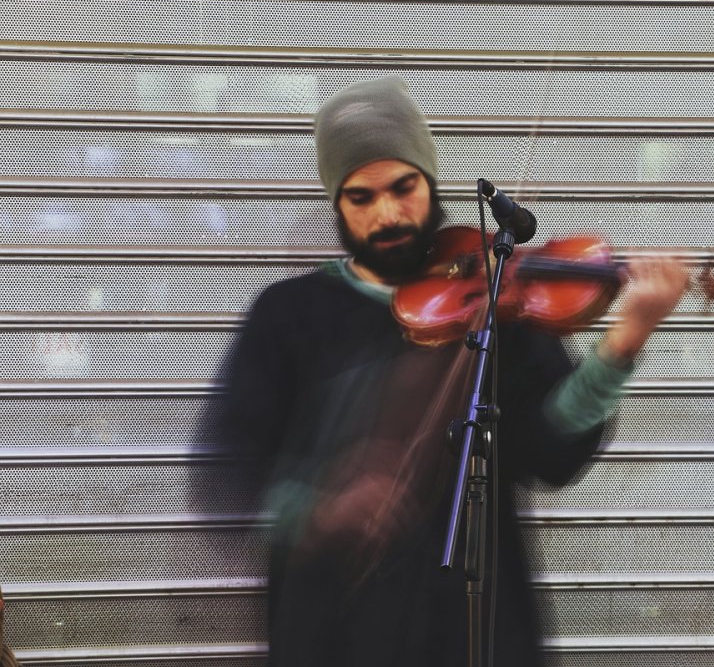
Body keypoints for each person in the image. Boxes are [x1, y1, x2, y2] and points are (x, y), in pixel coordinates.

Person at [213, 76, 688, 665]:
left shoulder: (494, 297)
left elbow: (551, 449)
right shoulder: (286, 317)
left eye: (403, 187)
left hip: (476, 628)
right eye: (361, 197)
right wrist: (321, 510)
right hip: (332, 632)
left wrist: (622, 345)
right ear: (336, 202)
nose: (388, 213)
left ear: (430, 180)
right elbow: (231, 476)